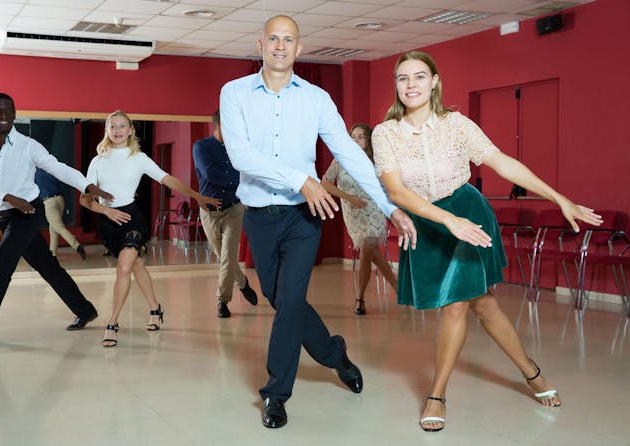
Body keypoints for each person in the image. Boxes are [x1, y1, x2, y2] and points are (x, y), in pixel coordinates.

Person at [372, 50, 602, 432]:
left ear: (434, 82)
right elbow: (396, 192)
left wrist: (559, 198)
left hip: (469, 213)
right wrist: (448, 221)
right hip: (431, 222)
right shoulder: (386, 133)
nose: (410, 85)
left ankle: (437, 394)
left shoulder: (458, 125)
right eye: (402, 78)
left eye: (418, 76)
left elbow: (502, 162)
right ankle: (532, 372)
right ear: (396, 85)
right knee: (483, 304)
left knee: (456, 306)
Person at [220, 15, 417, 429]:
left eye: (288, 40)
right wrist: (301, 179)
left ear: (299, 48)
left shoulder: (316, 98)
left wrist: (388, 206)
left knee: (289, 302)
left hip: (304, 217)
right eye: (272, 38)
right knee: (282, 299)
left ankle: (276, 394)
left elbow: (349, 153)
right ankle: (335, 355)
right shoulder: (234, 93)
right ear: (260, 45)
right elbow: (240, 155)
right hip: (259, 215)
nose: (279, 46)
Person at [0, 92, 111, 348]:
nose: (3, 115)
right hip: (4, 215)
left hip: (29, 213)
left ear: (15, 114)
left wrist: (87, 185)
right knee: (48, 267)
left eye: (8, 110)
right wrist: (7, 196)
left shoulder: (28, 145)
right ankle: (85, 309)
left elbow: (57, 167)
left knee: (1, 263)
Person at [80, 110, 220, 347]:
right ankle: (156, 308)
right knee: (136, 265)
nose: (117, 131)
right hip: (108, 220)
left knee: (124, 268)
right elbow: (85, 199)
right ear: (107, 130)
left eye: (122, 126)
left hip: (132, 218)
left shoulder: (139, 158)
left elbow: (167, 179)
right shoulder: (98, 160)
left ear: (131, 129)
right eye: (112, 126)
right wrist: (106, 211)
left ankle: (112, 323)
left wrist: (197, 196)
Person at [321, 123, 399, 315]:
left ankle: (360, 299)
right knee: (373, 254)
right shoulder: (340, 159)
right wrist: (349, 198)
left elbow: (388, 185)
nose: (356, 140)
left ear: (368, 140)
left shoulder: (376, 160)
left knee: (366, 252)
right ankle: (400, 289)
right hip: (352, 212)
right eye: (353, 136)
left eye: (361, 136)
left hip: (374, 210)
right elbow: (325, 184)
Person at [192, 110, 258, 318]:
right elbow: (210, 173)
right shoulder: (201, 147)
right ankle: (243, 282)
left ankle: (222, 300)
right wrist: (237, 180)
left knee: (228, 256)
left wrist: (239, 178)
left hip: (234, 209)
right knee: (223, 258)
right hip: (209, 213)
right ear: (218, 126)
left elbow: (247, 171)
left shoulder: (238, 149)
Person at [35, 167, 86, 259]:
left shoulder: (33, 172)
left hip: (49, 201)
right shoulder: (51, 169)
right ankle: (52, 253)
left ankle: (77, 246)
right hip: (60, 199)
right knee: (53, 227)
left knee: (58, 227)